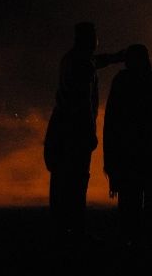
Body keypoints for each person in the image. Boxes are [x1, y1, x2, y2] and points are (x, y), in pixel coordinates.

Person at [44, 21, 125, 244]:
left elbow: (96, 62)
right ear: (90, 39)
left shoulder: (70, 59)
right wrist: (90, 131)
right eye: (95, 37)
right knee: (77, 180)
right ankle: (76, 229)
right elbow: (83, 102)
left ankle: (60, 228)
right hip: (75, 129)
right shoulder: (84, 65)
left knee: (60, 179)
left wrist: (115, 57)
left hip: (60, 126)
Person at [102, 44, 152, 249]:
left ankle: (128, 236)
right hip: (151, 146)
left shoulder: (121, 82)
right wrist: (148, 118)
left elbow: (111, 118)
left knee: (128, 195)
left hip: (126, 147)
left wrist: (110, 155)